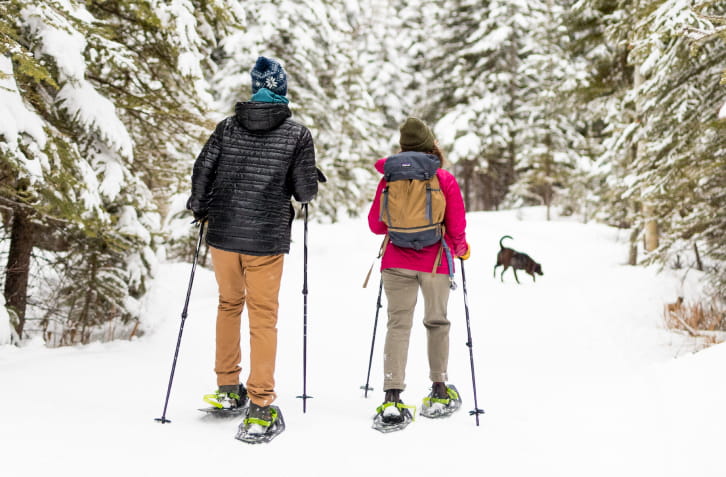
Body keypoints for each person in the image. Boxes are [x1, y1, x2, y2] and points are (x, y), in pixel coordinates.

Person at [187, 56, 318, 439]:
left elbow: (202, 170)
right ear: (282, 89)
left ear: (254, 87)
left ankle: (228, 389)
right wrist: (310, 177)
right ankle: (261, 404)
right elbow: (304, 191)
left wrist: (199, 206)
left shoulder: (227, 128)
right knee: (263, 317)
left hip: (224, 235)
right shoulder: (297, 134)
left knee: (229, 305)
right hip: (265, 239)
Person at [367, 117, 469, 429]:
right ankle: (439, 389)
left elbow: (376, 225)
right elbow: (456, 225)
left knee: (398, 325)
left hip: (396, 261)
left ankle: (392, 397)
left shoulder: (389, 178)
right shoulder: (443, 178)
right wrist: (461, 249)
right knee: (437, 323)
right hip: (435, 261)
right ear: (430, 146)